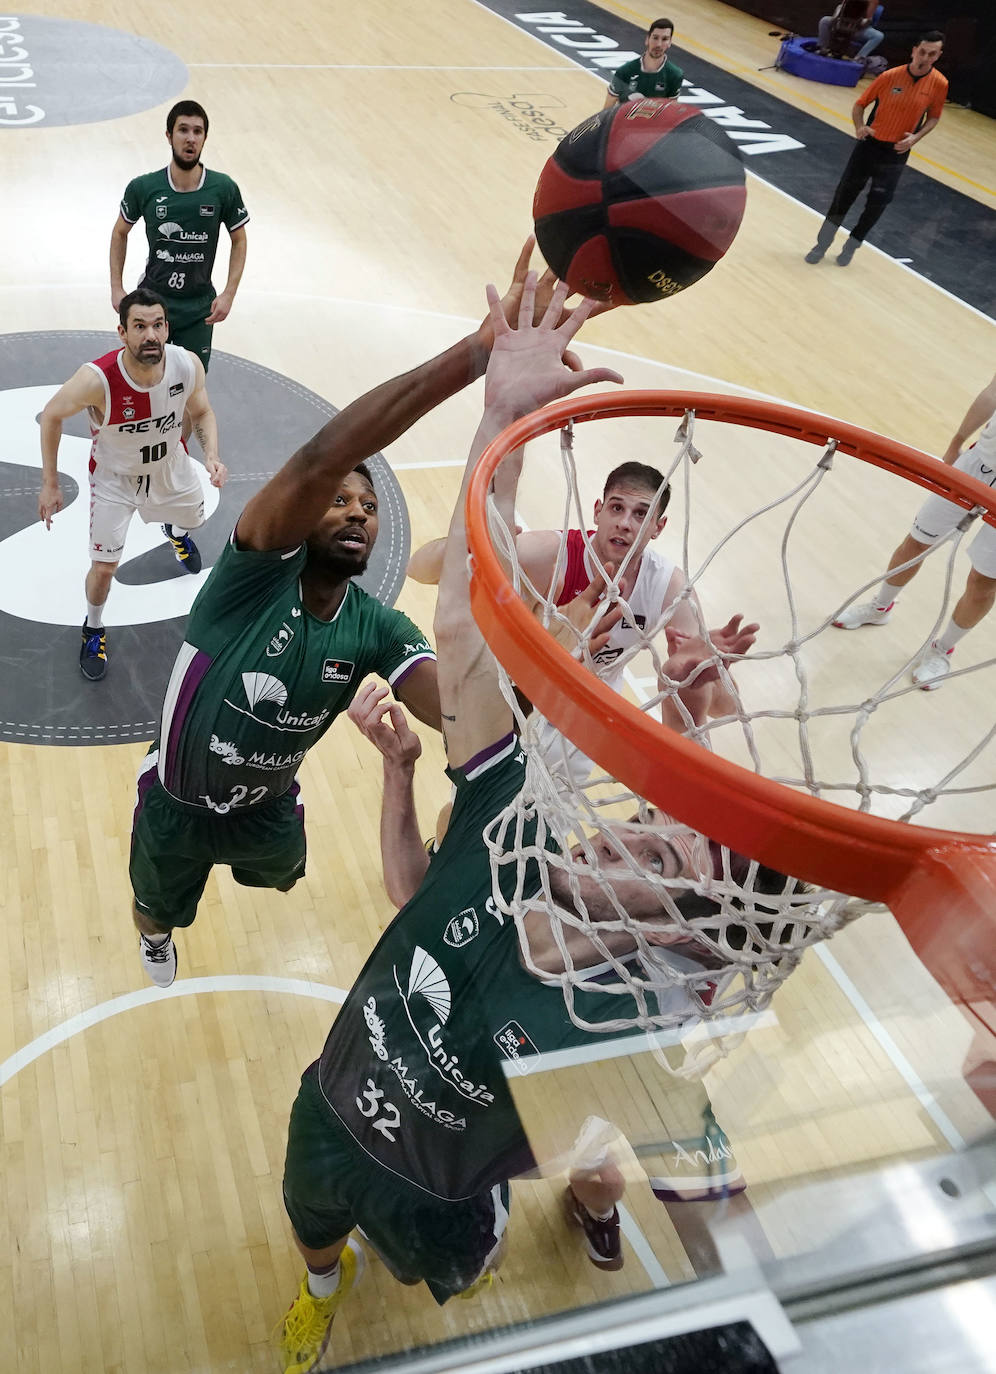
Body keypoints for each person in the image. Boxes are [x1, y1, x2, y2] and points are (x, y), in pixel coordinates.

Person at [276, 278, 776, 1372]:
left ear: (691, 924)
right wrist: (498, 415)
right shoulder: (516, 835)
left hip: (449, 1189)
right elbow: (456, 603)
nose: (636, 829)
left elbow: (727, 1233)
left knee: (586, 1175)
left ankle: (575, 1207)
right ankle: (324, 1277)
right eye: (652, 823)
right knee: (309, 1220)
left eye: (664, 846)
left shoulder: (637, 1040)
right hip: (339, 1094)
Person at [128, 244, 560, 989]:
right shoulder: (253, 574)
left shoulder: (377, 629)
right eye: (340, 500)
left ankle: (245, 866)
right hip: (177, 802)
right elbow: (325, 456)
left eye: (370, 507)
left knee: (281, 876)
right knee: (156, 905)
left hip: (264, 808)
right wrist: (475, 356)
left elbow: (459, 713)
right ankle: (158, 932)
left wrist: (548, 670)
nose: (357, 510)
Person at [408, 461, 750, 775]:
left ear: (658, 527)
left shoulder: (670, 587)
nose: (625, 523)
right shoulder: (547, 556)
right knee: (471, 818)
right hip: (514, 700)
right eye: (617, 508)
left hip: (582, 717)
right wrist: (469, 542)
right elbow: (418, 570)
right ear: (598, 511)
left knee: (545, 831)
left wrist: (708, 677)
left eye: (641, 515)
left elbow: (723, 709)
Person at [38, 288, 225, 681]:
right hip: (115, 481)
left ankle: (174, 532)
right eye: (139, 326)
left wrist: (210, 456)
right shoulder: (98, 379)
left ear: (167, 328)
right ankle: (92, 627)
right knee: (104, 568)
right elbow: (52, 415)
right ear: (122, 333)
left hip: (170, 468)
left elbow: (203, 411)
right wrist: (50, 483)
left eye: (157, 325)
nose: (151, 335)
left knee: (198, 520)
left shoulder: (186, 365)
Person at [833, 367, 996, 689]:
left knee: (984, 582)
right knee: (917, 541)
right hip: (977, 465)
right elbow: (992, 392)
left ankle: (942, 650)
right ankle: (880, 607)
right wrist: (957, 442)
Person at [110, 100, 249, 373]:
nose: (190, 138)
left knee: (191, 386)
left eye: (197, 132)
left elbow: (239, 239)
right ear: (169, 136)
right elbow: (119, 232)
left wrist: (229, 294)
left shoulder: (222, 188)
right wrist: (116, 287)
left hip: (199, 308)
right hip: (152, 306)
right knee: (145, 381)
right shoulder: (144, 187)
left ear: (205, 138)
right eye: (183, 130)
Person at [804, 31, 947, 266]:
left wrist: (916, 138)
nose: (925, 57)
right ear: (913, 50)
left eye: (932, 54)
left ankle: (851, 246)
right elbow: (860, 105)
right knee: (844, 197)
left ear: (938, 56)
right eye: (922, 51)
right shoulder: (890, 77)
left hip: (896, 153)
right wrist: (860, 127)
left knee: (877, 203)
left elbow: (933, 118)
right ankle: (822, 245)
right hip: (869, 147)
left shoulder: (940, 84)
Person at [602, 18, 684, 109]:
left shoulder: (674, 75)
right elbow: (606, 110)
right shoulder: (625, 72)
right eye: (655, 38)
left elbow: (671, 111)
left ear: (669, 43)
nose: (659, 44)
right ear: (647, 39)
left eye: (664, 39)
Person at [817, 2, 884, 62]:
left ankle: (859, 58)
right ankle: (823, 48)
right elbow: (840, 10)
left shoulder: (873, 1)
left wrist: (857, 24)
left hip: (857, 28)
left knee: (878, 36)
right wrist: (838, 20)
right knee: (824, 20)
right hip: (841, 22)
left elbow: (867, 20)